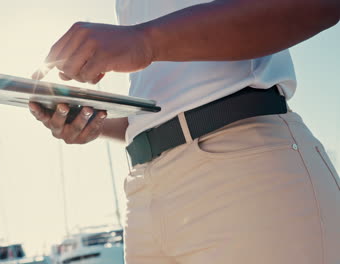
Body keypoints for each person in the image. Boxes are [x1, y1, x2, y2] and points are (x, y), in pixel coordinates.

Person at [28, 1, 340, 263]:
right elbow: (168, 107)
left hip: (245, 171)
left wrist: (144, 40)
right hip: (145, 193)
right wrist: (89, 120)